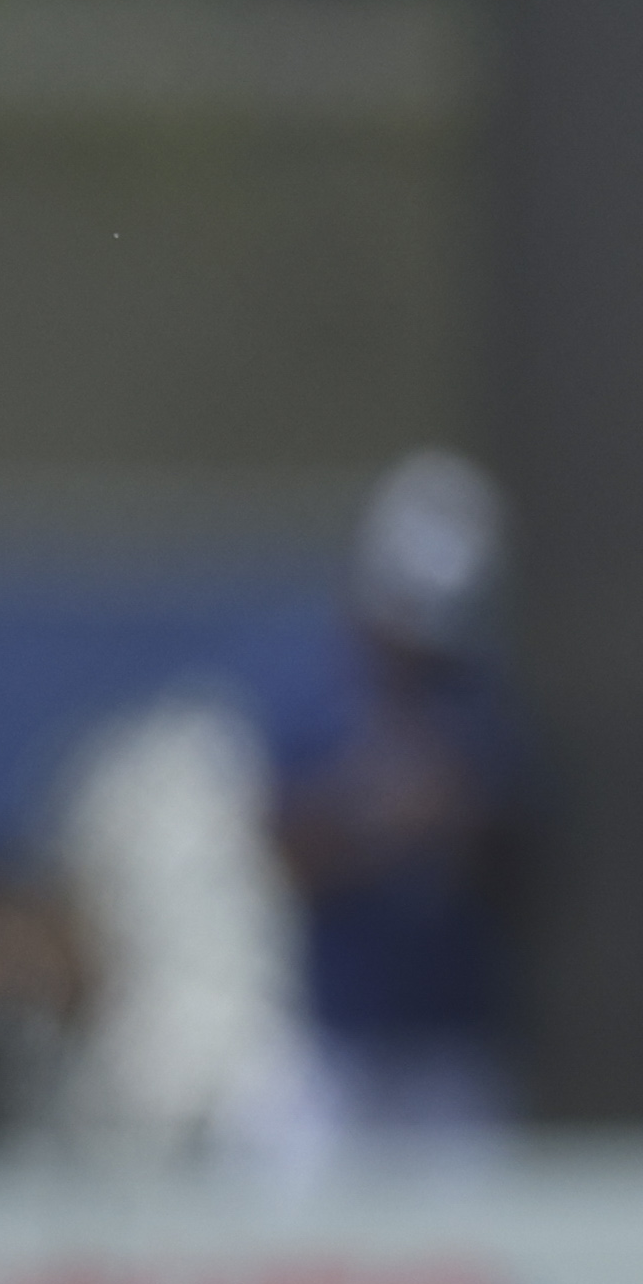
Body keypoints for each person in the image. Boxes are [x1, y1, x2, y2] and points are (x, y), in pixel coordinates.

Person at [266, 449, 537, 1144]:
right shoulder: (318, 700)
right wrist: (378, 821)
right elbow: (283, 856)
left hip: (453, 1049)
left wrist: (458, 823)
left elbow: (533, 875)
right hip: (335, 1046)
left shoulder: (487, 714)